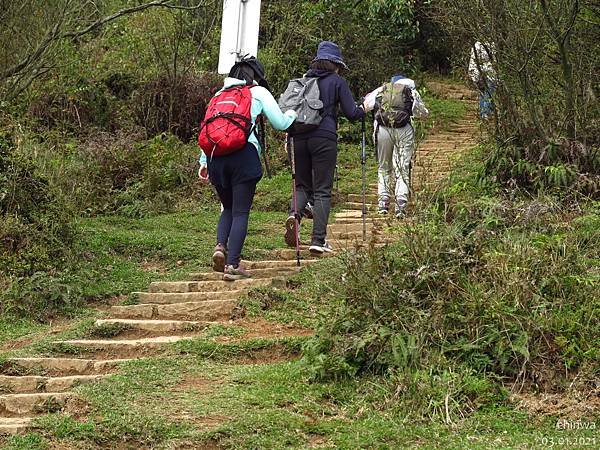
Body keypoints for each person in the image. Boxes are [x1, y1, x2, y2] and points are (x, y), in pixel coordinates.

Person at [199, 57, 296, 280]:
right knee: (241, 211)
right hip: (243, 156)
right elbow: (280, 123)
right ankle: (233, 265)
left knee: (228, 207)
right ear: (256, 76)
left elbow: (210, 129)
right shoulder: (257, 92)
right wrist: (292, 115)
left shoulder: (218, 95)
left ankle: (220, 246)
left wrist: (204, 162)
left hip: (216, 159)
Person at [284, 40, 366, 254]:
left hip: (299, 137)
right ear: (335, 64)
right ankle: (318, 241)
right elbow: (352, 113)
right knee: (322, 190)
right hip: (324, 137)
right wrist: (364, 108)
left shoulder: (303, 81)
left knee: (302, 186)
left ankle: (295, 215)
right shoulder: (337, 81)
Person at [363, 74, 429, 218]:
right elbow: (423, 113)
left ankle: (383, 202)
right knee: (402, 167)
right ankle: (401, 203)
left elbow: (365, 106)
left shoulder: (382, 89)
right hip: (404, 130)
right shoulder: (411, 91)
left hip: (383, 129)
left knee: (384, 167)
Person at [468, 41, 496, 119]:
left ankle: (484, 112)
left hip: (486, 70)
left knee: (485, 92)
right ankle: (485, 112)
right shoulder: (478, 45)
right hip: (482, 70)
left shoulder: (490, 44)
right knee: (486, 92)